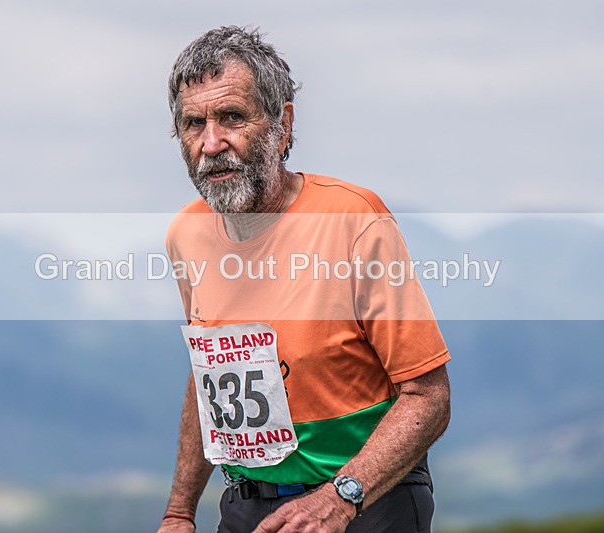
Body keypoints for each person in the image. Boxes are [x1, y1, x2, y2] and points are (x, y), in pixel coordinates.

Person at [158, 26, 451, 533]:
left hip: (366, 503)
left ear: (282, 125)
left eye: (232, 117)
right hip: (248, 504)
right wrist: (179, 513)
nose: (211, 143)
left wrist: (340, 499)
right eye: (193, 123)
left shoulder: (354, 219)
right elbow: (208, 375)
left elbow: (429, 396)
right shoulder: (186, 233)